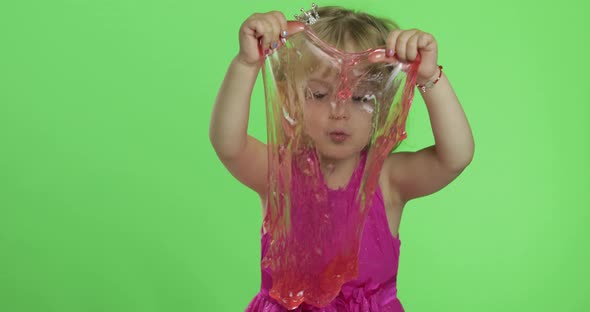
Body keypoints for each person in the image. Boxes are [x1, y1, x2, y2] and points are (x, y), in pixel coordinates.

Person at [209, 4, 475, 311]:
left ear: (385, 104)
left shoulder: (387, 180)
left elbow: (455, 157)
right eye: (320, 95)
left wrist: (428, 76)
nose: (340, 112)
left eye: (362, 98)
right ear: (290, 98)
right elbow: (227, 144)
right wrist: (246, 64)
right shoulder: (280, 173)